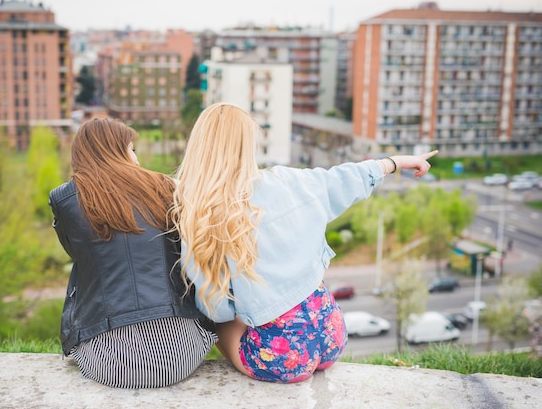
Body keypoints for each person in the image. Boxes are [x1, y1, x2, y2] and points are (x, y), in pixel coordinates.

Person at [171, 102, 438, 383]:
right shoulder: (288, 180)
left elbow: (217, 307)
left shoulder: (201, 213)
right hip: (331, 331)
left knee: (214, 321)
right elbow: (341, 179)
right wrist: (394, 163)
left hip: (283, 356)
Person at [49, 118, 216, 388]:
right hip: (183, 355)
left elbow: (75, 252)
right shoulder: (165, 186)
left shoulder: (64, 199)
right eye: (132, 149)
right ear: (119, 151)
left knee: (89, 262)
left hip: (106, 362)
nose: (136, 157)